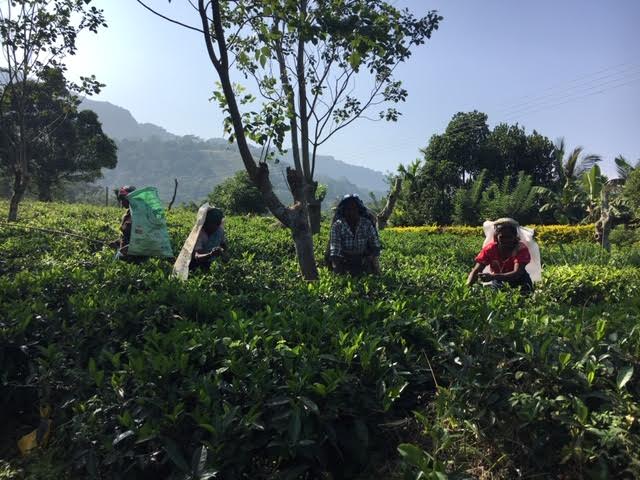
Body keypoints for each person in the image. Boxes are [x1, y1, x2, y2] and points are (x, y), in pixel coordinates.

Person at [466, 218, 534, 292]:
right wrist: (467, 287)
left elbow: (517, 273)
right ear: (496, 236)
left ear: (515, 237)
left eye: (509, 237)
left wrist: (492, 276)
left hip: (520, 282)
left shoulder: (520, 249)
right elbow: (476, 270)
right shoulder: (490, 249)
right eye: (502, 237)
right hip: (499, 282)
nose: (506, 240)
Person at [327, 194, 381, 275]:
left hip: (364, 259)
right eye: (348, 209)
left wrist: (370, 258)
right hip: (344, 261)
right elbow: (335, 251)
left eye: (354, 209)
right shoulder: (338, 226)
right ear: (343, 211)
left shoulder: (366, 224)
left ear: (359, 210)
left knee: (374, 273)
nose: (351, 212)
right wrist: (337, 269)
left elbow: (375, 246)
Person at [190, 207, 227, 271]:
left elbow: (223, 244)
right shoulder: (199, 234)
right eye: (211, 223)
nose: (216, 226)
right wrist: (210, 254)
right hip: (196, 265)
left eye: (217, 224)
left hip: (212, 264)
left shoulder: (219, 231)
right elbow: (197, 256)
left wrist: (222, 252)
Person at [113, 185, 136, 260]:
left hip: (134, 255)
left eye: (123, 200)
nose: (122, 203)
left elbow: (142, 238)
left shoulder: (139, 215)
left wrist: (128, 248)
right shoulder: (127, 214)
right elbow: (126, 237)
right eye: (121, 200)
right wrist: (117, 242)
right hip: (124, 252)